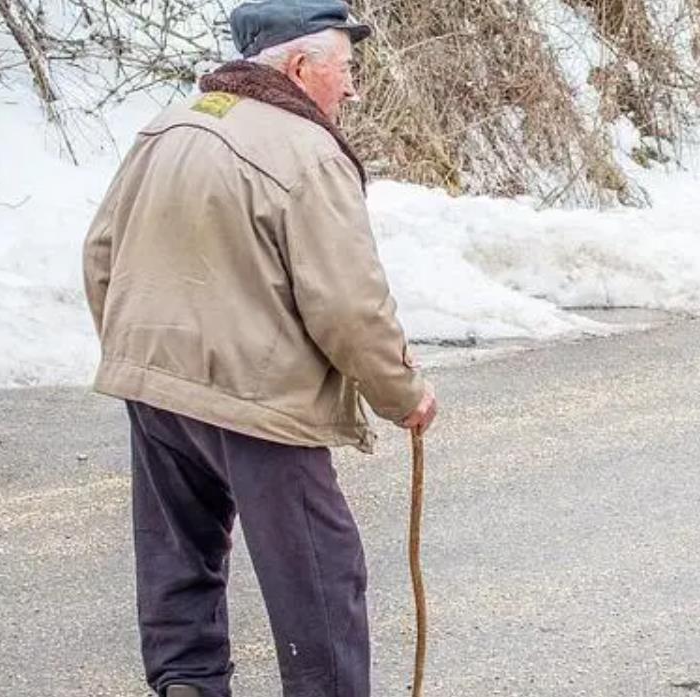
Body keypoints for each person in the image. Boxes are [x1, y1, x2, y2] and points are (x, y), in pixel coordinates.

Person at [81, 1, 438, 695]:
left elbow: (101, 254)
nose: (352, 90)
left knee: (180, 557)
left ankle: (188, 685)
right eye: (346, 71)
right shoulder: (307, 153)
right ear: (300, 66)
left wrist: (142, 352)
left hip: (155, 388)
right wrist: (403, 393)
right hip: (259, 401)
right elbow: (347, 303)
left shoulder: (168, 127)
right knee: (319, 572)